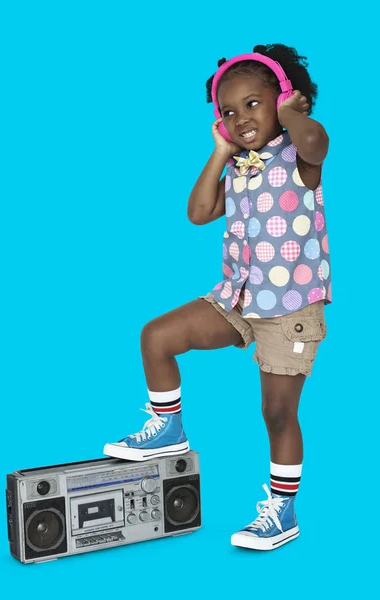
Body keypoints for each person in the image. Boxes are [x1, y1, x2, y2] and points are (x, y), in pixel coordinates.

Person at [103, 43, 331, 551]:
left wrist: (294, 116)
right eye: (229, 111)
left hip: (290, 308)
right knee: (156, 337)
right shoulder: (241, 166)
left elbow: (317, 143)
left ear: (285, 100)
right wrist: (221, 152)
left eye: (254, 103)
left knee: (276, 413)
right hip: (238, 298)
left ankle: (281, 512)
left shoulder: (300, 156)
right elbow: (200, 212)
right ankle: (168, 429)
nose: (242, 116)